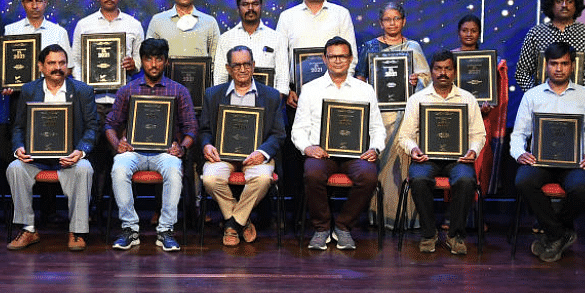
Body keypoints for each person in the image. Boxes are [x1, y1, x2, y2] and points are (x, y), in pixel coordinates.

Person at [510, 42, 585, 262]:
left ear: (572, 66)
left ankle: (554, 234)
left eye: (564, 63)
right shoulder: (532, 96)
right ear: (547, 65)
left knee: (581, 187)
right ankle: (560, 234)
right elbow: (518, 134)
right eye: (554, 64)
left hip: (574, 162)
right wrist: (519, 153)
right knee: (523, 181)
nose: (559, 68)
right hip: (540, 161)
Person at [291, 37, 386, 250]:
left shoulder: (365, 90)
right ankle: (322, 228)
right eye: (332, 56)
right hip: (322, 154)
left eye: (342, 56)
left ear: (351, 59)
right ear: (324, 59)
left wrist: (375, 148)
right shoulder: (311, 89)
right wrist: (308, 148)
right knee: (312, 173)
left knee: (369, 176)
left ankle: (343, 226)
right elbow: (298, 129)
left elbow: (377, 128)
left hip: (356, 154)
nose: (337, 61)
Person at [105, 38, 197, 252]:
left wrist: (181, 148)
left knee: (174, 169)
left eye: (158, 59)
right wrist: (117, 143)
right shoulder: (127, 90)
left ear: (166, 61)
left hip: (165, 153)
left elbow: (192, 127)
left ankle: (165, 230)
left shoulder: (179, 91)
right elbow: (110, 124)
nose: (153, 65)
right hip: (133, 152)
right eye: (148, 59)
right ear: (142, 61)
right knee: (119, 167)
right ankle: (129, 229)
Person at [6, 44, 98, 251]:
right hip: (36, 159)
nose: (57, 67)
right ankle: (29, 229)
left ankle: (77, 231)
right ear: (41, 66)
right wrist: (19, 148)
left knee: (85, 168)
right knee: (14, 168)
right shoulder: (29, 90)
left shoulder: (82, 91)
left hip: (69, 159)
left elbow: (92, 127)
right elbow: (19, 127)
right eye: (51, 63)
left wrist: (80, 152)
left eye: (62, 63)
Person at [396, 50, 486, 255]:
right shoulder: (417, 99)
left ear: (454, 72)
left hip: (458, 159)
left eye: (447, 68)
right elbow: (405, 136)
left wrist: (472, 151)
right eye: (438, 68)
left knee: (465, 180)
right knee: (418, 179)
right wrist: (414, 149)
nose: (442, 73)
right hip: (426, 158)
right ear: (431, 70)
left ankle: (455, 235)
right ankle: (429, 234)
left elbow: (479, 134)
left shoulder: (468, 99)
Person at [198, 46, 287, 245]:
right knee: (210, 179)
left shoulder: (271, 95)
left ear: (254, 66)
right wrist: (206, 145)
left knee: (263, 179)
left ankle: (232, 225)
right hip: (222, 155)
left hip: (256, 156)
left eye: (247, 64)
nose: (243, 69)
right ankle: (242, 222)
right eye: (237, 65)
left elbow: (278, 134)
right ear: (228, 68)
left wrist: (263, 153)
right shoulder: (213, 95)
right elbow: (204, 130)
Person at [353, 3, 432, 229]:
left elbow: (427, 81)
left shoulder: (413, 47)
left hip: (407, 116)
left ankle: (407, 219)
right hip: (379, 117)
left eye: (396, 18)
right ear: (381, 23)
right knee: (381, 165)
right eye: (387, 19)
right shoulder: (369, 47)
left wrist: (417, 81)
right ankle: (381, 217)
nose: (392, 23)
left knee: (405, 165)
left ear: (404, 21)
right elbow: (360, 79)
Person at [276, 0, 357, 108]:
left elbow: (351, 55)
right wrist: (287, 90)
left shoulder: (341, 14)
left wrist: (343, 87)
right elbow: (280, 57)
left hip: (335, 93)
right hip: (297, 96)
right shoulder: (287, 17)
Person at [515, 0, 585, 95]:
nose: (564, 5)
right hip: (542, 105)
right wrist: (537, 95)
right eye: (559, 1)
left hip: (578, 105)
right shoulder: (536, 34)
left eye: (569, 1)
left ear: (576, 5)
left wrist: (581, 96)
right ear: (551, 4)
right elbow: (522, 73)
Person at [71, 0, 146, 103]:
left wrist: (134, 65)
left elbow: (140, 58)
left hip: (122, 98)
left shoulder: (134, 25)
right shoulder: (83, 25)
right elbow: (75, 61)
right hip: (92, 99)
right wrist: (84, 85)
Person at [211, 0, 290, 94]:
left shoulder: (276, 38)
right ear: (238, 8)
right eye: (245, 4)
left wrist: (273, 105)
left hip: (268, 103)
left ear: (261, 6)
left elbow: (283, 79)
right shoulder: (226, 38)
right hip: (234, 103)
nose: (250, 8)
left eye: (255, 4)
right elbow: (220, 78)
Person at [145, 0, 221, 59]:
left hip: (200, 73)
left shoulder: (209, 22)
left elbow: (216, 59)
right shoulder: (157, 21)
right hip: (167, 73)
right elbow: (149, 58)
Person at [4, 0, 73, 74]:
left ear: (45, 2)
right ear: (23, 4)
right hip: (20, 87)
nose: (34, 6)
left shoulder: (59, 32)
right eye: (29, 1)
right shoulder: (10, 31)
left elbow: (68, 68)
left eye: (38, 1)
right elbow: (6, 66)